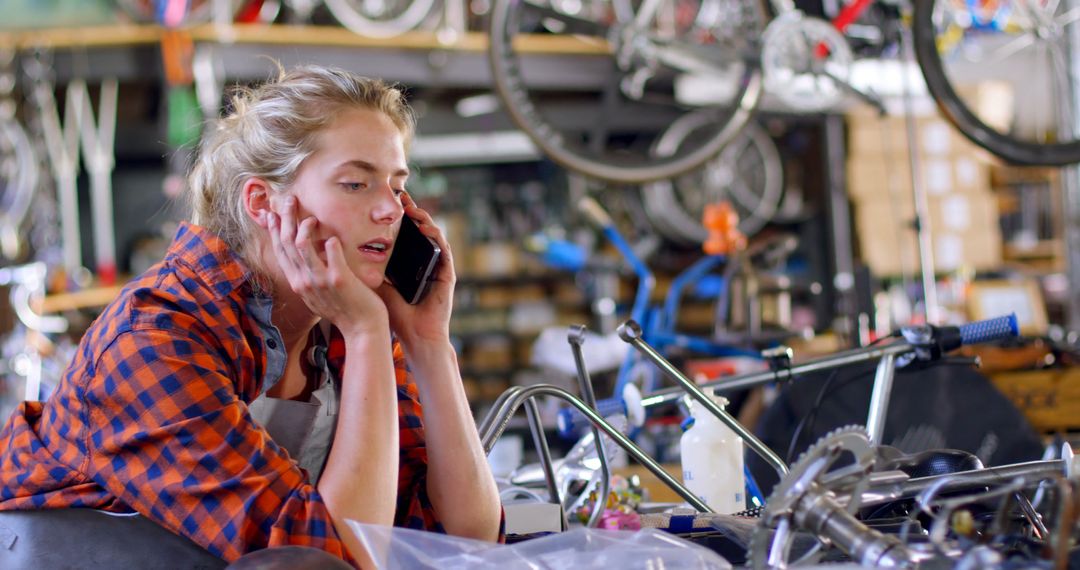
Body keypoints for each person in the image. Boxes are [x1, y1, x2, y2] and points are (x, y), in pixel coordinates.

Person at [0, 65, 503, 567]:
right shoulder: (155, 341)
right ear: (263, 202)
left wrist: (428, 342)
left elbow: (467, 537)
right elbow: (337, 558)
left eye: (396, 186)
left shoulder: (345, 330)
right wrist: (369, 330)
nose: (390, 210)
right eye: (355, 184)